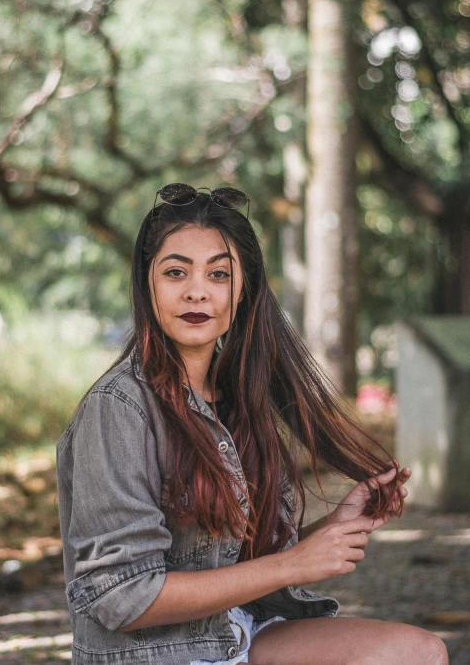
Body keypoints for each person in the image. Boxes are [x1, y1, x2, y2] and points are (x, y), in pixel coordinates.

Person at [56, 184, 448, 665]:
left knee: (418, 653)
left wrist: (328, 531)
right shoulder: (118, 407)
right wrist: (293, 563)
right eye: (176, 271)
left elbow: (236, 566)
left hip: (234, 635)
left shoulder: (239, 399)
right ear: (147, 285)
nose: (197, 290)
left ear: (243, 291)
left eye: (218, 274)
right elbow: (122, 597)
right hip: (159, 655)